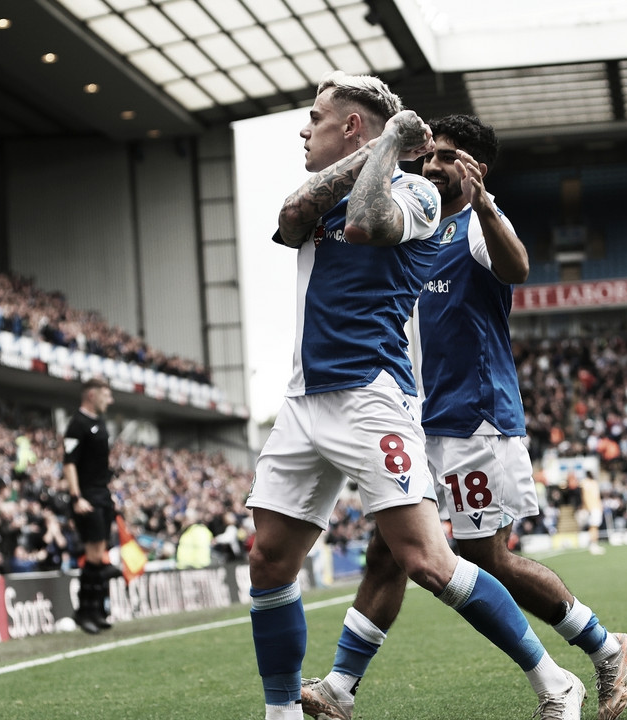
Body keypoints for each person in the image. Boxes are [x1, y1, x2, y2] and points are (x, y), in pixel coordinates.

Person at [247, 74, 584, 720]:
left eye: (315, 117)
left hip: (373, 397)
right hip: (303, 398)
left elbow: (372, 223)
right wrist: (380, 147)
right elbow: (290, 220)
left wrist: (391, 151)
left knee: (428, 560)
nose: (302, 129)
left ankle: (553, 679)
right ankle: (281, 713)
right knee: (269, 560)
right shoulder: (330, 188)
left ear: (351, 126)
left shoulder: (420, 194)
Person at [300, 115, 627, 720]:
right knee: (388, 554)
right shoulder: (418, 220)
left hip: (472, 421)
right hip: (412, 418)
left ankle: (606, 648)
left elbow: (517, 268)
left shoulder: (478, 226)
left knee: (486, 558)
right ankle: (338, 690)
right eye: (428, 156)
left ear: (475, 167)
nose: (431, 166)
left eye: (446, 157)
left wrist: (484, 203)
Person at [63, 377, 119, 634]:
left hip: (102, 494)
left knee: (100, 555)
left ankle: (96, 612)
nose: (110, 400)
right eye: (106, 395)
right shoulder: (77, 424)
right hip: (87, 496)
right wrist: (76, 497)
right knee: (93, 555)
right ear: (91, 395)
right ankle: (83, 612)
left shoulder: (100, 423)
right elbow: (69, 462)